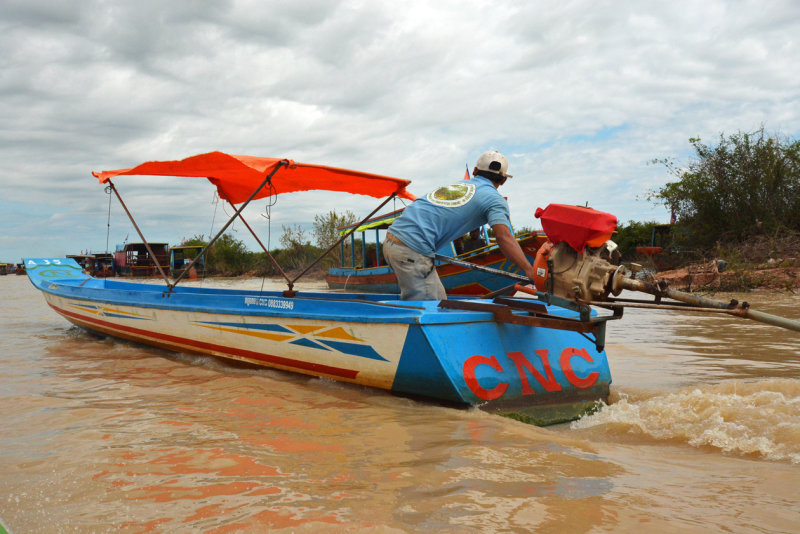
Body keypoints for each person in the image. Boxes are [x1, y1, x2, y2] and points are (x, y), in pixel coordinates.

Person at [383, 150, 536, 300]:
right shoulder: (495, 200)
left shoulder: (458, 185)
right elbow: (503, 237)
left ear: (475, 171)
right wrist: (529, 270)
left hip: (392, 240)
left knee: (439, 301)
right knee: (428, 308)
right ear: (503, 180)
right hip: (411, 250)